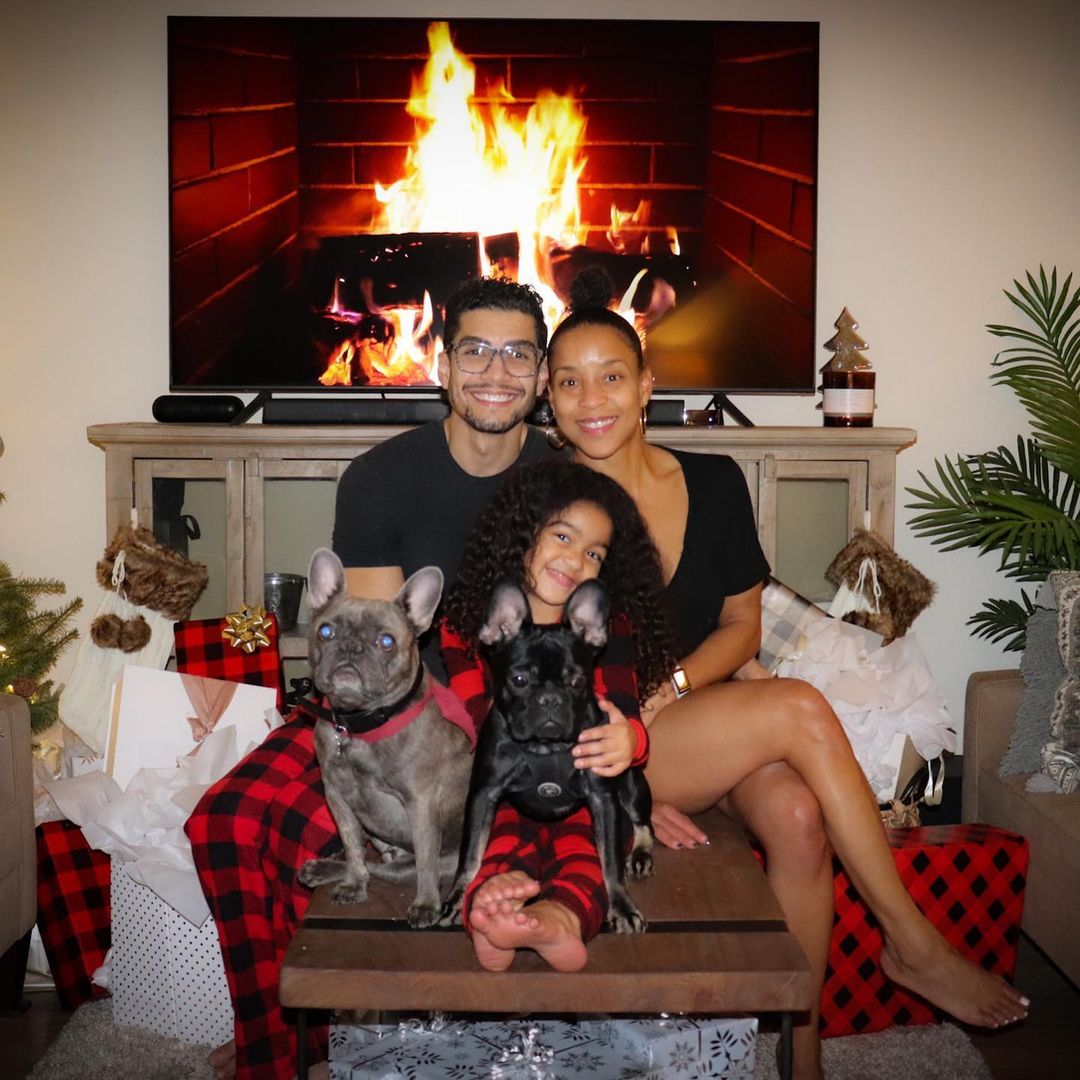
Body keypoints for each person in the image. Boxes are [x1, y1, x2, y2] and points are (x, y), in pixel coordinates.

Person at [543, 272, 1030, 1080]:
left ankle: (798, 1053)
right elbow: (540, 656)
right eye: (568, 380)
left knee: (801, 818)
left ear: (646, 386)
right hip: (610, 738)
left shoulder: (713, 482)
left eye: (611, 375)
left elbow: (743, 625)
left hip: (700, 720)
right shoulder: (551, 505)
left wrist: (680, 693)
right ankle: (912, 944)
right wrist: (630, 784)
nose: (590, 396)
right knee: (799, 706)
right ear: (549, 401)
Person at [185, 277, 558, 1080]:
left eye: (518, 352)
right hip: (392, 704)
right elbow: (372, 650)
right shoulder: (382, 477)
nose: (496, 370)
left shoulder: (563, 483)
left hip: (521, 713)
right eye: (476, 350)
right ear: (443, 364)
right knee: (228, 820)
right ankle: (278, 1040)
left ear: (539, 373)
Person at [439, 460, 677, 972]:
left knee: (587, 846)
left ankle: (564, 917)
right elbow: (484, 721)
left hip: (578, 780)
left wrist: (628, 742)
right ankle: (487, 909)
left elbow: (625, 714)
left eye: (594, 553)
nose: (575, 559)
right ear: (524, 532)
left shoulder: (599, 631)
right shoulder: (472, 624)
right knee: (500, 837)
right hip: (512, 781)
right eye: (564, 537)